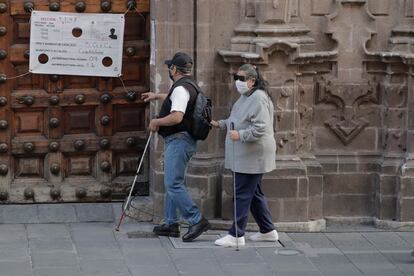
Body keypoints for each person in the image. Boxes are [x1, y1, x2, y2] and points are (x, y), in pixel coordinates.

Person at [141, 52, 210, 242]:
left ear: (174, 69)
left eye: (169, 67)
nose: (169, 69)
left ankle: (196, 220)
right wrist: (157, 96)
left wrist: (157, 121)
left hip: (179, 140)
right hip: (183, 140)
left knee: (173, 183)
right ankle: (171, 223)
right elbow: (177, 98)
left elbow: (177, 116)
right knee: (173, 181)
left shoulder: (180, 89)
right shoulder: (189, 85)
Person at [210, 64, 278, 247]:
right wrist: (220, 124)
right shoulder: (246, 97)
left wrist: (240, 135)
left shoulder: (258, 98)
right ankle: (267, 230)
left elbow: (260, 127)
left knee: (242, 193)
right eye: (236, 78)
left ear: (252, 81)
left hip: (252, 154)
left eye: (241, 79)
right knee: (254, 193)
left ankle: (236, 235)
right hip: (246, 154)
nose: (238, 82)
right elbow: (237, 120)